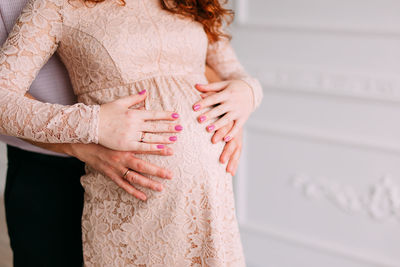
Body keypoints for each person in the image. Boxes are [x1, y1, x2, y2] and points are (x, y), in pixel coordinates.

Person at [0, 0, 262, 266]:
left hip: (211, 202)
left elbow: (232, 73)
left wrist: (247, 93)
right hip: (126, 201)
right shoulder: (55, 5)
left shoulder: (191, 2)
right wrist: (95, 123)